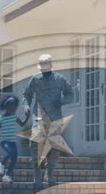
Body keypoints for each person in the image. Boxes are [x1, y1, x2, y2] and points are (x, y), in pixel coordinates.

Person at [22, 54, 74, 186]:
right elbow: (26, 95)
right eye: (41, 68)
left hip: (55, 116)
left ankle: (49, 174)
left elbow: (70, 94)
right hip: (38, 115)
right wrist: (26, 106)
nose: (43, 71)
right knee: (34, 143)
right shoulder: (35, 79)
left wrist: (62, 101)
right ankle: (37, 170)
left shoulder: (59, 79)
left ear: (50, 66)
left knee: (55, 147)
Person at [0, 96, 30, 183]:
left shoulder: (15, 117)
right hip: (4, 141)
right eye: (11, 108)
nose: (13, 110)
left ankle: (7, 176)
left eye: (14, 108)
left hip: (13, 142)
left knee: (14, 159)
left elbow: (22, 124)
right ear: (6, 107)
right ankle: (1, 164)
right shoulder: (0, 118)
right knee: (10, 152)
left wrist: (27, 117)